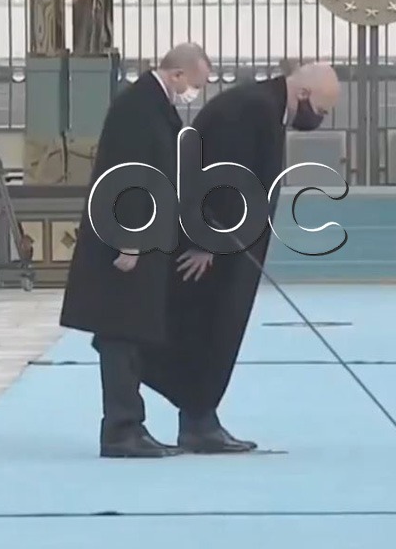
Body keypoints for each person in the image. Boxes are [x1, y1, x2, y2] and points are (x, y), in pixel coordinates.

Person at [143, 62, 341, 452]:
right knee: (205, 328)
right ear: (303, 95)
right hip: (213, 245)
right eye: (321, 109)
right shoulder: (252, 108)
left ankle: (201, 416)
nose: (319, 118)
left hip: (231, 243)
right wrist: (206, 240)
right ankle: (197, 420)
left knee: (215, 331)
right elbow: (217, 176)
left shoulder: (264, 106)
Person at [59, 43, 212, 458]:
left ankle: (129, 423)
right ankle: (122, 429)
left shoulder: (153, 103)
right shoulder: (137, 107)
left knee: (128, 335)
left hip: (145, 239)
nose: (193, 94)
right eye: (194, 85)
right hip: (127, 244)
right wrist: (128, 236)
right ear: (176, 74)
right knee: (120, 335)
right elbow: (125, 174)